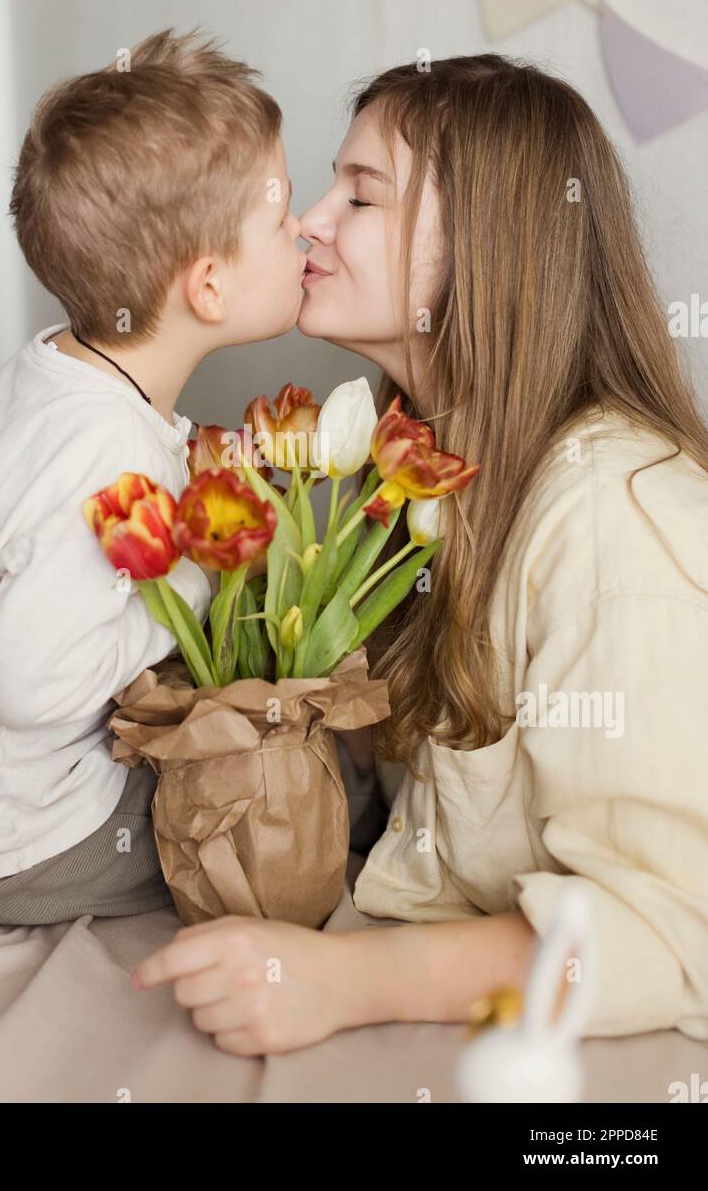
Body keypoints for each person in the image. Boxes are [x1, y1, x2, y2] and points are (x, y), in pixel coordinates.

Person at [132, 54, 708, 1052]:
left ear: (489, 239)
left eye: (359, 194)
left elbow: (676, 927)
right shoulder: (418, 483)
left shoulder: (615, 513)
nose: (308, 221)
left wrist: (346, 981)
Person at [0, 29, 307, 925]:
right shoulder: (110, 455)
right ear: (208, 287)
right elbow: (30, 682)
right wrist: (196, 576)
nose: (304, 236)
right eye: (284, 224)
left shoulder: (51, 373)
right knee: (259, 817)